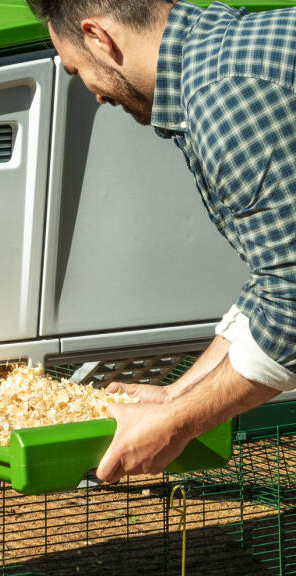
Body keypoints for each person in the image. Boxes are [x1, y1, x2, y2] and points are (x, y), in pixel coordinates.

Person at [27, 0, 296, 483]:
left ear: (99, 39)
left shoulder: (226, 100)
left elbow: (293, 307)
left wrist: (174, 425)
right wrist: (175, 396)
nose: (91, 93)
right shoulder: (216, 58)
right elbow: (274, 282)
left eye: (76, 71)